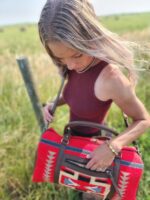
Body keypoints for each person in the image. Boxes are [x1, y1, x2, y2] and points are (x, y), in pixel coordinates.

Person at [38, 0, 150, 199]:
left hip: (96, 157)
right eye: (60, 59)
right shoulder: (73, 66)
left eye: (77, 55)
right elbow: (74, 93)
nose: (70, 66)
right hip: (72, 145)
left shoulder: (111, 78)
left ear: (90, 37)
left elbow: (143, 120)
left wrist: (112, 147)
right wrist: (53, 104)